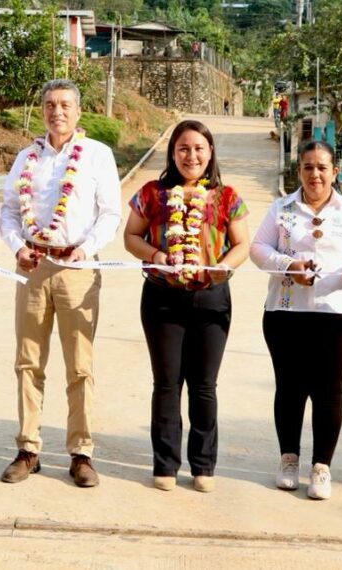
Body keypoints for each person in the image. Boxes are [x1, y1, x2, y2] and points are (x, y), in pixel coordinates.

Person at [0, 78, 121, 487]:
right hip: (33, 267)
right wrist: (17, 246)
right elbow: (10, 211)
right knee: (28, 362)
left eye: (65, 104)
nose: (57, 112)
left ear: (79, 111)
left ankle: (81, 452)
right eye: (50, 104)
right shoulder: (25, 158)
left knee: (79, 366)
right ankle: (28, 448)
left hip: (77, 268)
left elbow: (110, 213)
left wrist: (86, 248)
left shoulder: (98, 156)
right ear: (43, 110)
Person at [123, 120, 249, 493]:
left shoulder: (228, 197)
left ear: (210, 153)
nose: (191, 155)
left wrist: (224, 266)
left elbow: (241, 244)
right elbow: (131, 237)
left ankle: (203, 466)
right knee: (166, 385)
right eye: (183, 148)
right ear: (172, 152)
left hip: (211, 298)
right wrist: (157, 254)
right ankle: (164, 464)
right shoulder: (151, 193)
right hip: (162, 297)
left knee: (204, 387)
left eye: (198, 148)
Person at [249, 139, 342, 500]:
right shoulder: (281, 208)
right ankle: (289, 459)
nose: (315, 174)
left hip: (337, 315)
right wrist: (289, 266)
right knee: (289, 389)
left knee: (328, 392)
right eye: (308, 167)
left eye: (322, 167)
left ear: (335, 172)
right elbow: (259, 249)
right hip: (285, 313)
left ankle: (322, 467)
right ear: (299, 171)